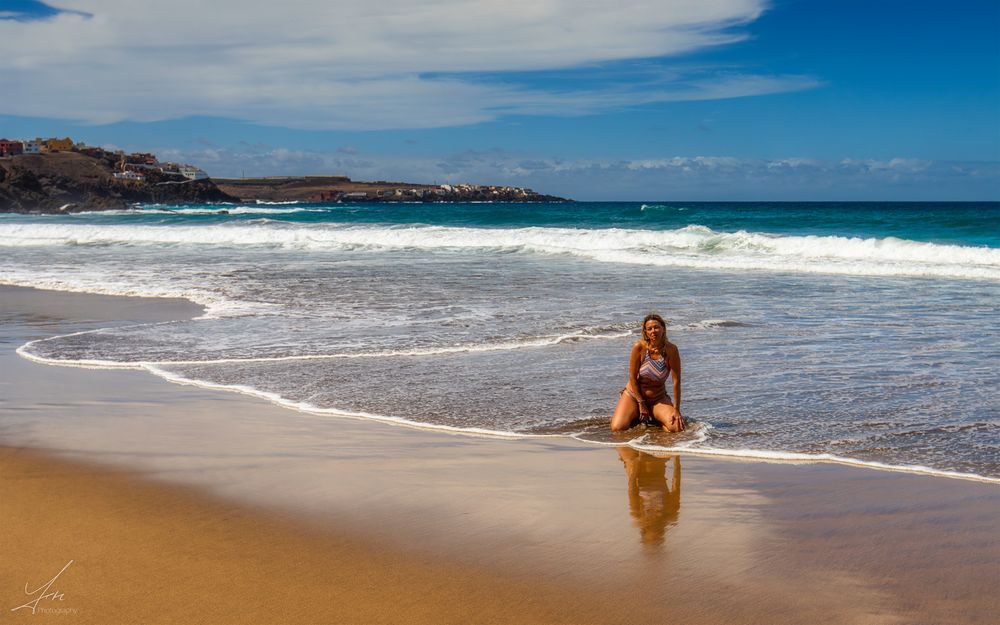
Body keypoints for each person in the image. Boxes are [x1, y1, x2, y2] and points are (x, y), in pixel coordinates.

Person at [610, 313, 685, 432]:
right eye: (649, 328)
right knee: (617, 428)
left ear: (663, 329)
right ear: (645, 331)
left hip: (657, 398)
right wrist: (641, 403)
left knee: (677, 427)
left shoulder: (671, 350)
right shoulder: (639, 347)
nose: (653, 331)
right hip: (634, 396)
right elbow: (632, 378)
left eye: (656, 327)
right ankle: (637, 415)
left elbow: (676, 382)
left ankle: (655, 420)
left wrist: (676, 409)